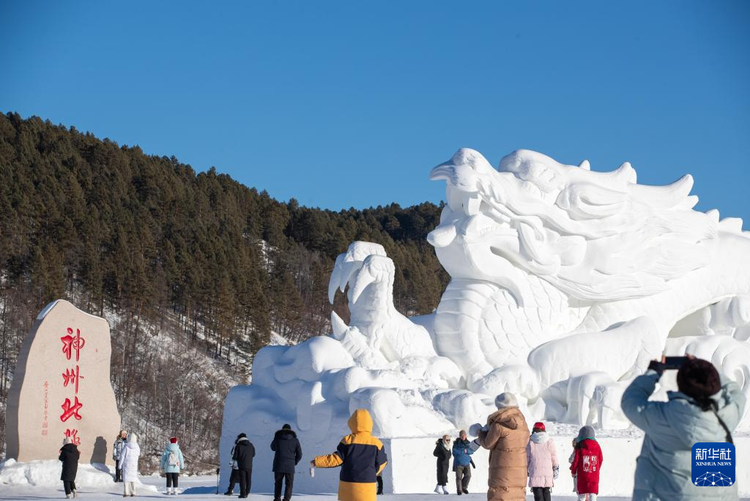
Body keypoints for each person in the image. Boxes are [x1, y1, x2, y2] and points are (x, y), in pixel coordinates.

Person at [621, 356, 746, 501]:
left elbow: (631, 401)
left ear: (680, 385)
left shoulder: (662, 417)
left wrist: (653, 372)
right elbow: (736, 392)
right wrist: (707, 369)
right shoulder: (729, 414)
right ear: (715, 383)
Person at [312, 409, 388, 501]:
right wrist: (371, 472)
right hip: (368, 486)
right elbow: (382, 462)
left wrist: (317, 461)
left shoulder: (347, 441)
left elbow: (336, 459)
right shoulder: (377, 444)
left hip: (348, 486)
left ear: (352, 423)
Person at [476, 392, 530, 501]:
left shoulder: (498, 425)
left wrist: (480, 432)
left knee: (500, 496)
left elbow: (487, 444)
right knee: (516, 496)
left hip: (502, 472)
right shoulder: (523, 424)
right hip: (520, 472)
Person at [526, 421, 559, 501]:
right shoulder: (549, 441)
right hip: (547, 474)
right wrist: (556, 468)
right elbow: (554, 457)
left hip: (535, 473)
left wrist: (525, 469)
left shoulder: (530, 442)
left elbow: (526, 457)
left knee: (538, 497)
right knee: (547, 495)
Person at [270, 423, 302, 501]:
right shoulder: (295, 440)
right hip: (290, 466)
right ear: (290, 430)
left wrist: (276, 438)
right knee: (289, 484)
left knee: (278, 483)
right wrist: (294, 462)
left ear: (282, 430)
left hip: (278, 464)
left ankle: (277, 498)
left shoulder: (278, 438)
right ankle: (286, 499)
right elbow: (300, 454)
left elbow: (272, 448)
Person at [570, 426, 602, 501]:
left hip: (582, 476)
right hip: (594, 475)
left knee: (582, 495)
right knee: (592, 494)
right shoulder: (597, 446)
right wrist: (597, 468)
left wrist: (573, 472)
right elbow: (600, 459)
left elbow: (576, 461)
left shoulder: (580, 446)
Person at [452, 430, 478, 495]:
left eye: (464, 435)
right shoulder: (456, 443)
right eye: (462, 435)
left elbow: (471, 451)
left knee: (468, 475)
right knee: (459, 477)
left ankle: (464, 487)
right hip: (458, 463)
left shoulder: (468, 443)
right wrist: (464, 451)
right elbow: (454, 452)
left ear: (466, 436)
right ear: (460, 436)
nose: (463, 436)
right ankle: (459, 490)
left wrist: (467, 451)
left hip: (467, 463)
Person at [232, 433, 255, 498]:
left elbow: (235, 456)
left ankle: (243, 494)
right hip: (249, 465)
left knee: (242, 480)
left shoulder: (238, 445)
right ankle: (247, 492)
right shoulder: (251, 445)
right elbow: (253, 454)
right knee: (248, 479)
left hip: (241, 465)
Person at [120, 432, 141, 497]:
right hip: (134, 465)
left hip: (127, 464)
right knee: (133, 479)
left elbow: (122, 456)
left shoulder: (126, 446)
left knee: (126, 479)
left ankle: (126, 492)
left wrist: (119, 465)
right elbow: (138, 455)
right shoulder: (137, 447)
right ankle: (134, 492)